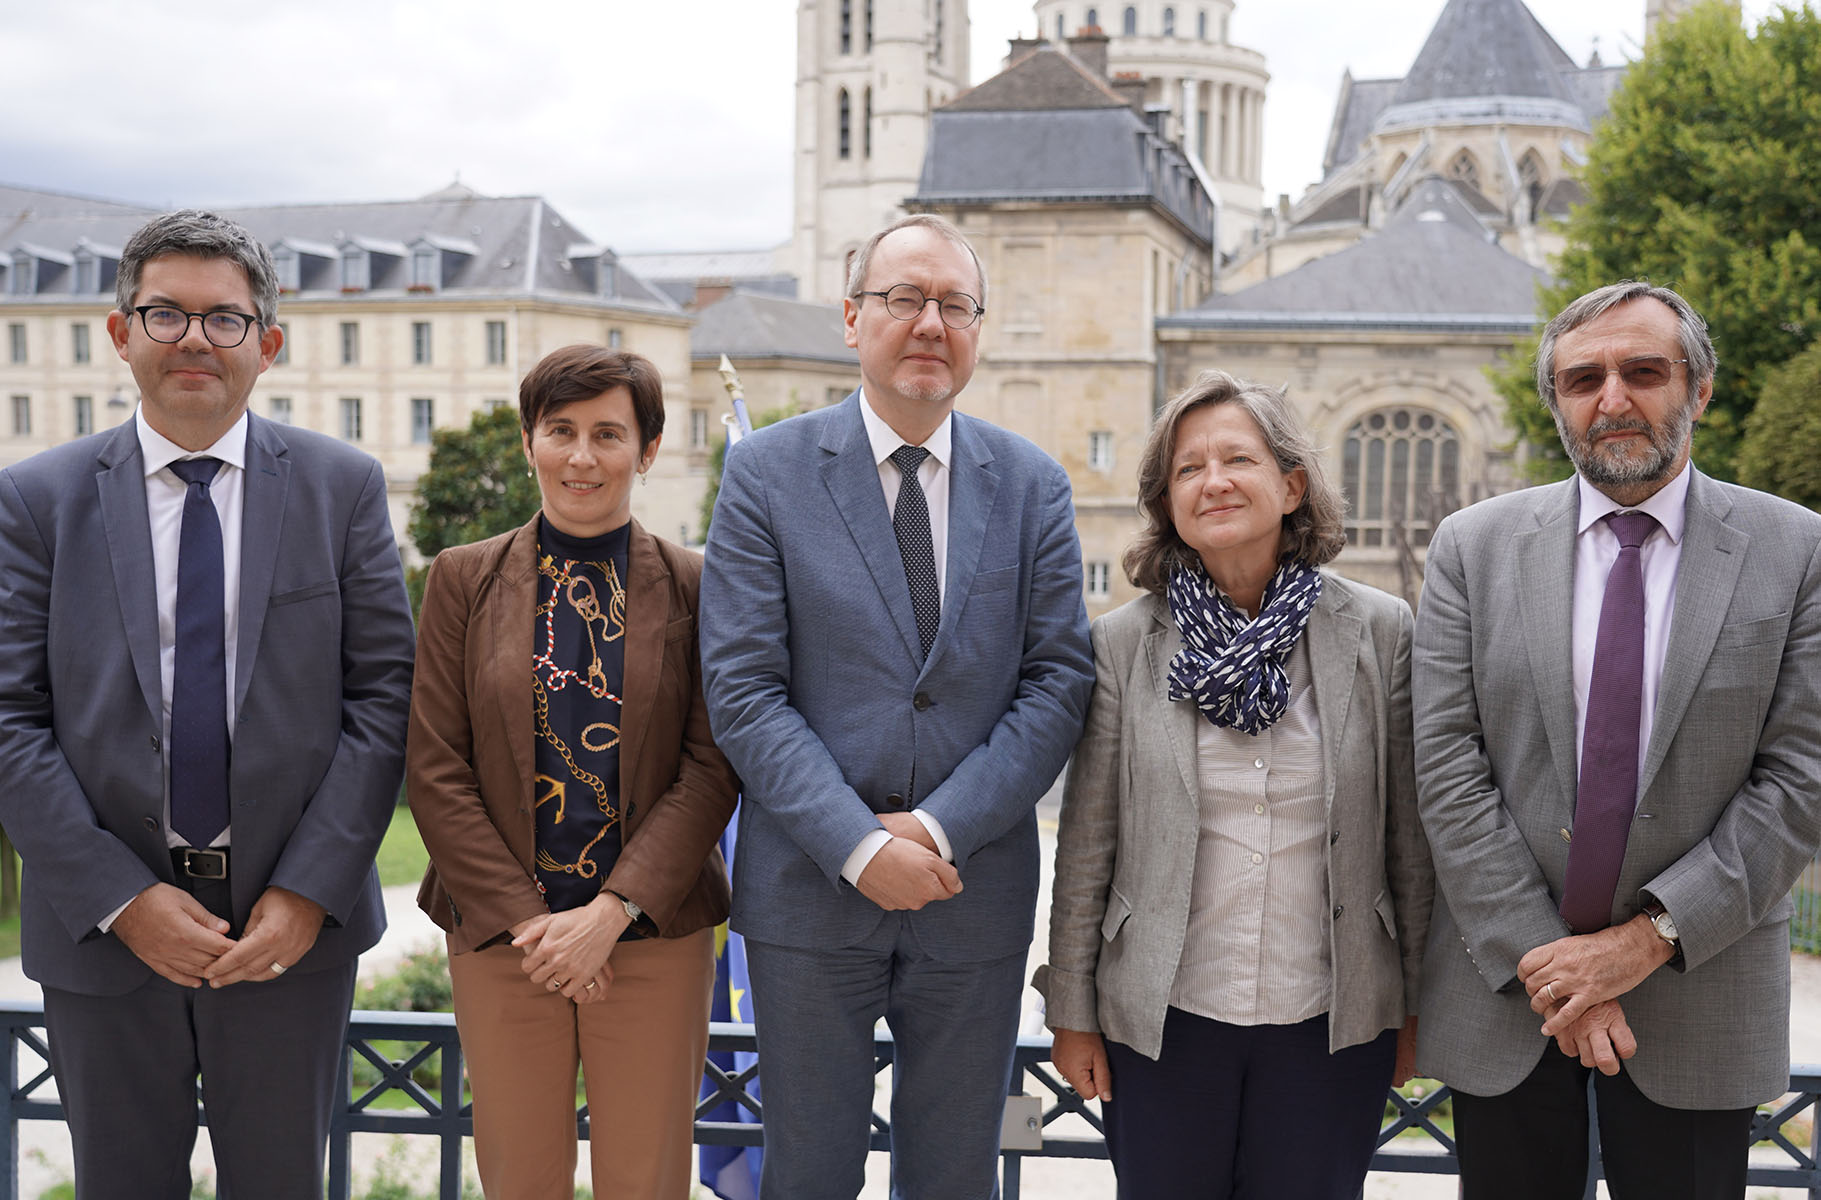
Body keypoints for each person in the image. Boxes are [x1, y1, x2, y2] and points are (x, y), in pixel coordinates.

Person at [0, 210, 414, 1197]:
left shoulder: (342, 486)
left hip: (288, 939)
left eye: (224, 319)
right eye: (166, 314)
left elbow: (383, 699)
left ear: (267, 344)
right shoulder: (35, 499)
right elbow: (10, 719)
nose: (194, 338)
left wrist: (308, 893)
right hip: (105, 937)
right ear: (119, 333)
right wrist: (124, 900)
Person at [699, 213, 1094, 1199]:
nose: (929, 323)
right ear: (851, 318)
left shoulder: (1036, 487)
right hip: (808, 895)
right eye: (904, 299)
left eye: (953, 305)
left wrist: (932, 830)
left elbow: (1058, 683)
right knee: (809, 1174)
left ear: (977, 328)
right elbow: (744, 687)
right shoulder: (766, 476)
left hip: (974, 896)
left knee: (959, 1174)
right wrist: (861, 845)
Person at [1413, 280, 1821, 1197]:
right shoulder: (1469, 549)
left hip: (1695, 994)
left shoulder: (1796, 550)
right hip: (1510, 1000)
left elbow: (1801, 777)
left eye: (1643, 371)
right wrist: (1554, 969)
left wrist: (1645, 940)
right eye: (1581, 378)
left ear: (1698, 390)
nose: (1612, 399)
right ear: (1554, 401)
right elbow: (1444, 767)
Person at [1034, 370, 1431, 1198]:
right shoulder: (1121, 644)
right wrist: (1070, 1006)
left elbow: (1408, 837)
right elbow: (1088, 839)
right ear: (1166, 500)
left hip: (1331, 1017)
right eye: (1187, 468)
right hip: (1164, 1015)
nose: (1212, 481)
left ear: (1290, 486)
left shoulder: (1379, 631)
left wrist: (1418, 1002)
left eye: (1237, 459)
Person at [407, 344, 739, 1199]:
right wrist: (533, 925)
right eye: (560, 430)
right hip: (500, 936)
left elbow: (709, 766)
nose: (582, 456)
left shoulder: (701, 586)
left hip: (653, 934)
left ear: (649, 449)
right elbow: (436, 766)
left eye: (607, 434)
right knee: (520, 1179)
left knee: (645, 1180)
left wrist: (608, 915)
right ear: (528, 442)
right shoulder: (461, 580)